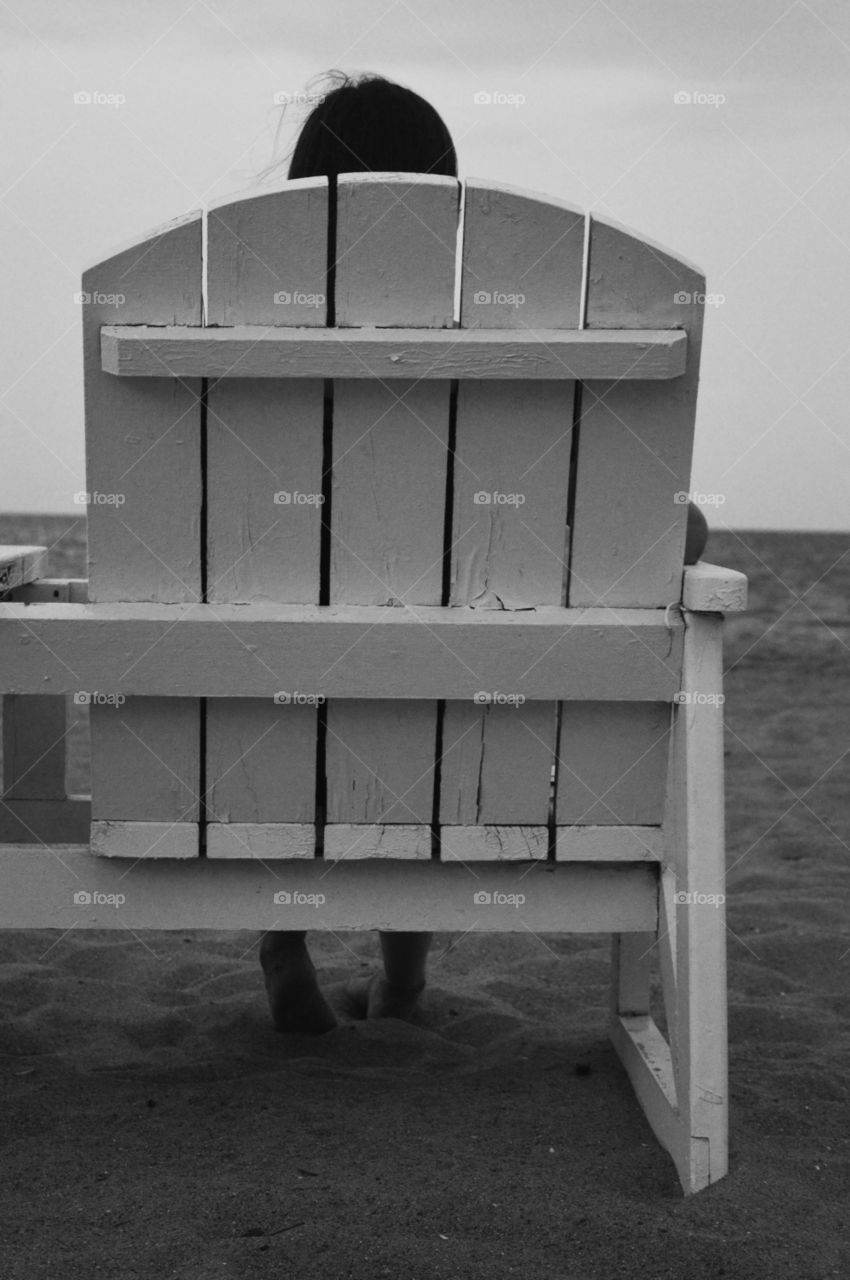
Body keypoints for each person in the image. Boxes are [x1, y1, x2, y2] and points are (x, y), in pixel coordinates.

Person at [257, 70, 709, 1035]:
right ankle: (406, 988)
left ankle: (282, 951)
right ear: (452, 204)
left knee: (278, 698)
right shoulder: (512, 353)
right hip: (456, 753)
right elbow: (668, 536)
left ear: (295, 197)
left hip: (258, 746)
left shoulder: (234, 347)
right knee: (433, 707)